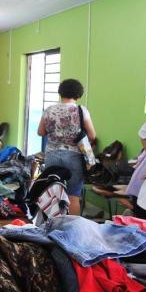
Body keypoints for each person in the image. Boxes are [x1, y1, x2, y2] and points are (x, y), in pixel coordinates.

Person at [37, 78, 96, 216]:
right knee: (73, 196)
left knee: (52, 194)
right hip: (74, 156)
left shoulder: (50, 110)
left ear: (60, 92)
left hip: (52, 156)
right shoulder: (82, 110)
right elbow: (92, 135)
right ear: (78, 94)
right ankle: (71, 230)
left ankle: (51, 226)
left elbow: (40, 132)